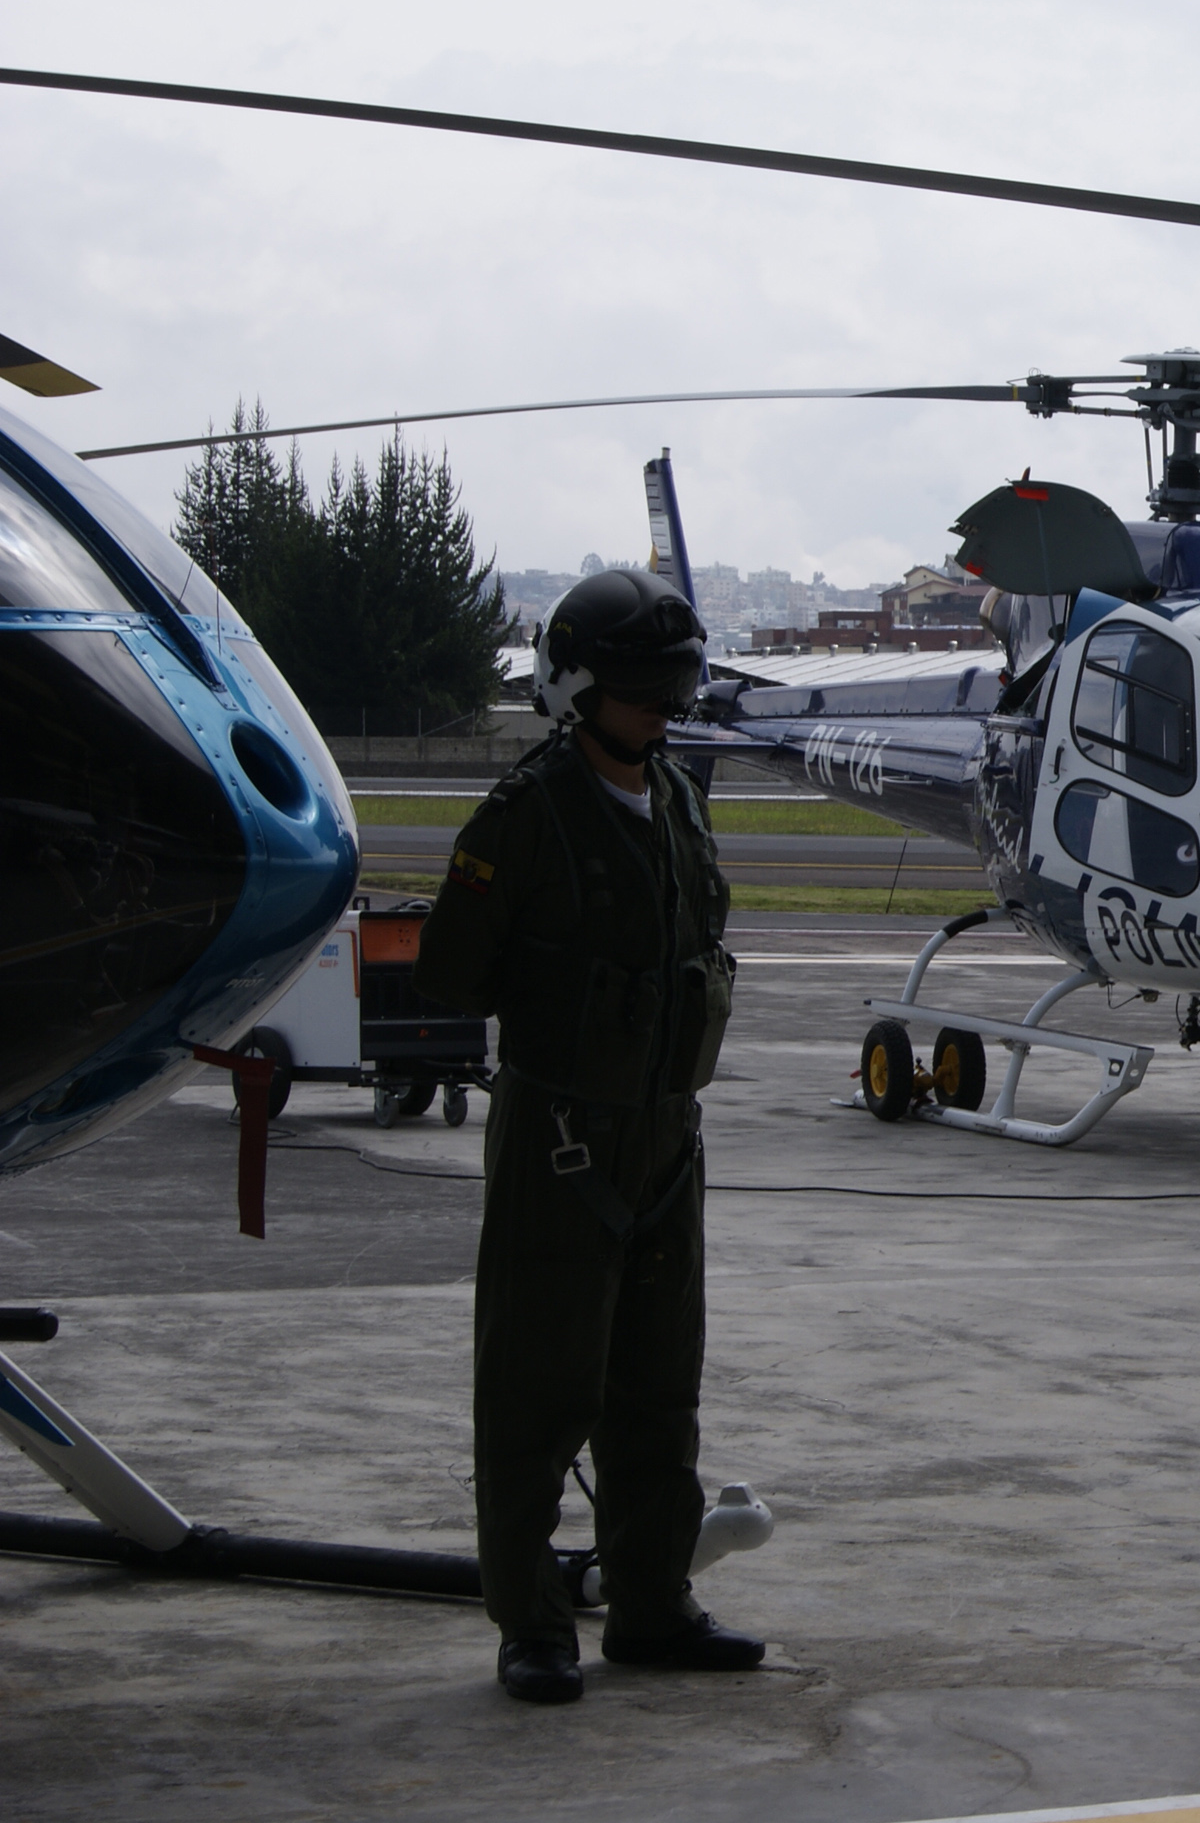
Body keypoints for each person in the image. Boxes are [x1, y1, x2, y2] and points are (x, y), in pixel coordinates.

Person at [416, 567, 757, 1705]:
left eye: (675, 683)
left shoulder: (678, 797)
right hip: (560, 1135)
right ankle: (534, 1623)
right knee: (535, 1390)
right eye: (640, 686)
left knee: (659, 1387)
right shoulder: (524, 817)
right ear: (577, 688)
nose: (665, 705)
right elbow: (454, 969)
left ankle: (654, 1606)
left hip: (666, 1136)